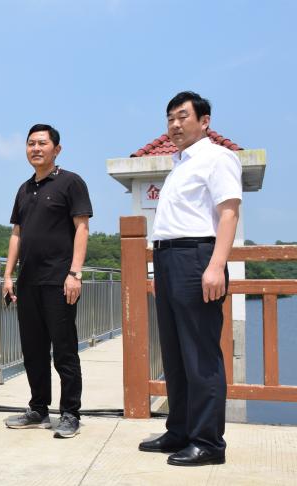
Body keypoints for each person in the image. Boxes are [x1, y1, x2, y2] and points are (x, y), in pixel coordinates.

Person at [138, 91, 241, 466]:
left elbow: (228, 213)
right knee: (175, 354)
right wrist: (159, 269)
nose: (175, 125)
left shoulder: (218, 157)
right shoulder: (178, 164)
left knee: (200, 354)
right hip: (168, 260)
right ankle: (179, 430)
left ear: (204, 121)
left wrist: (215, 265)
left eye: (183, 116)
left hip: (197, 257)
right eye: (170, 118)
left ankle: (208, 442)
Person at [2, 124, 92, 438]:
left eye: (42, 143)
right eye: (31, 143)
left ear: (57, 149)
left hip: (59, 280)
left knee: (64, 350)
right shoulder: (24, 189)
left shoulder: (71, 182)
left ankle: (70, 413)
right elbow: (17, 234)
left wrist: (75, 273)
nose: (36, 148)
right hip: (28, 282)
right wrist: (8, 275)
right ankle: (38, 409)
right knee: (33, 351)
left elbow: (82, 228)